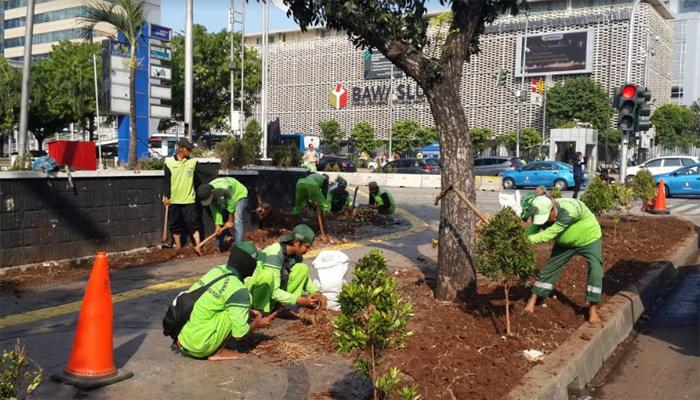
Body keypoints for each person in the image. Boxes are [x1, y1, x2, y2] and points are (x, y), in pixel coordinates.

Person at [176, 241, 275, 360]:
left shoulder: (217, 270)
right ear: (249, 264)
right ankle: (217, 352)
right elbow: (240, 334)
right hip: (199, 347)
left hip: (182, 338)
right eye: (255, 262)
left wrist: (249, 311)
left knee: (227, 305)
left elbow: (216, 299)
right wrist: (258, 324)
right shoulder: (239, 290)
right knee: (234, 313)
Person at [523, 195, 604, 325]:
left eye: (546, 217)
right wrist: (522, 239)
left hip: (589, 239)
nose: (544, 221)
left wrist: (525, 241)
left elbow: (547, 235)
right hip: (565, 244)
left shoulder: (569, 211)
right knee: (550, 268)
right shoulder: (543, 211)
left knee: (596, 268)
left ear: (552, 208)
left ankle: (592, 309)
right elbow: (534, 228)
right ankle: (532, 301)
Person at [246, 224, 321, 314]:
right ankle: (259, 311)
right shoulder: (274, 255)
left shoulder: (293, 255)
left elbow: (304, 277)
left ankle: (281, 305)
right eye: (307, 246)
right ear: (296, 242)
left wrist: (316, 292)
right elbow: (274, 291)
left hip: (272, 291)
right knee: (267, 276)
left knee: (302, 268)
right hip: (256, 294)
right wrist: (299, 300)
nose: (307, 250)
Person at [163, 138, 202, 250]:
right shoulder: (169, 162)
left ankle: (198, 245)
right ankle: (178, 246)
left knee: (193, 223)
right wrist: (166, 196)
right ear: (181, 149)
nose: (190, 151)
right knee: (175, 224)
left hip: (189, 200)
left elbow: (198, 180)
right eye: (188, 149)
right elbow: (166, 181)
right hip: (174, 200)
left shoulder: (193, 162)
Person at [197, 177, 249, 249]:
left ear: (212, 192)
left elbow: (231, 203)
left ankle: (239, 247)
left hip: (239, 195)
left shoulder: (224, 189)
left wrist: (230, 220)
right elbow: (215, 210)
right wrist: (217, 225)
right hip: (226, 198)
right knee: (222, 221)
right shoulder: (207, 191)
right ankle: (218, 247)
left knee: (237, 220)